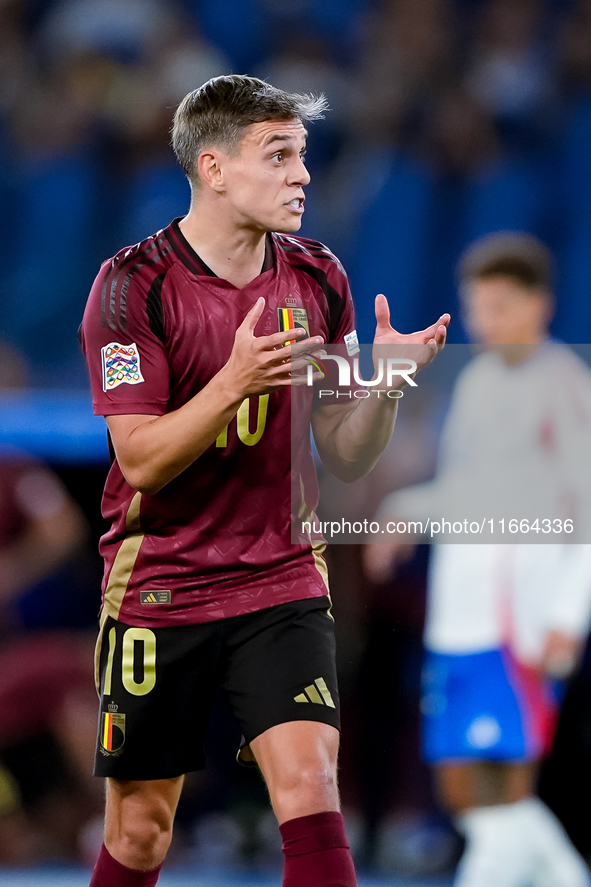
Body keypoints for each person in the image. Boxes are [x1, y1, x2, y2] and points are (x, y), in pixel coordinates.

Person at [79, 74, 449, 887]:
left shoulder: (318, 277)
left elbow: (345, 453)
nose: (302, 176)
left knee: (313, 786)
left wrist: (383, 386)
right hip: (161, 582)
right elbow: (139, 458)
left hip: (280, 576)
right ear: (213, 168)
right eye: (278, 156)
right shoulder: (131, 286)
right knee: (142, 831)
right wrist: (233, 381)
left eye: (303, 156)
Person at [365, 231, 591, 886]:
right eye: (474, 307)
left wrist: (567, 616)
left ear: (537, 306)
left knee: (501, 788)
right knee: (462, 788)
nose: (481, 322)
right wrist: (406, 509)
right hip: (456, 612)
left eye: (496, 306)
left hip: (516, 616)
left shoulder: (565, 388)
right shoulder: (476, 383)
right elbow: (466, 491)